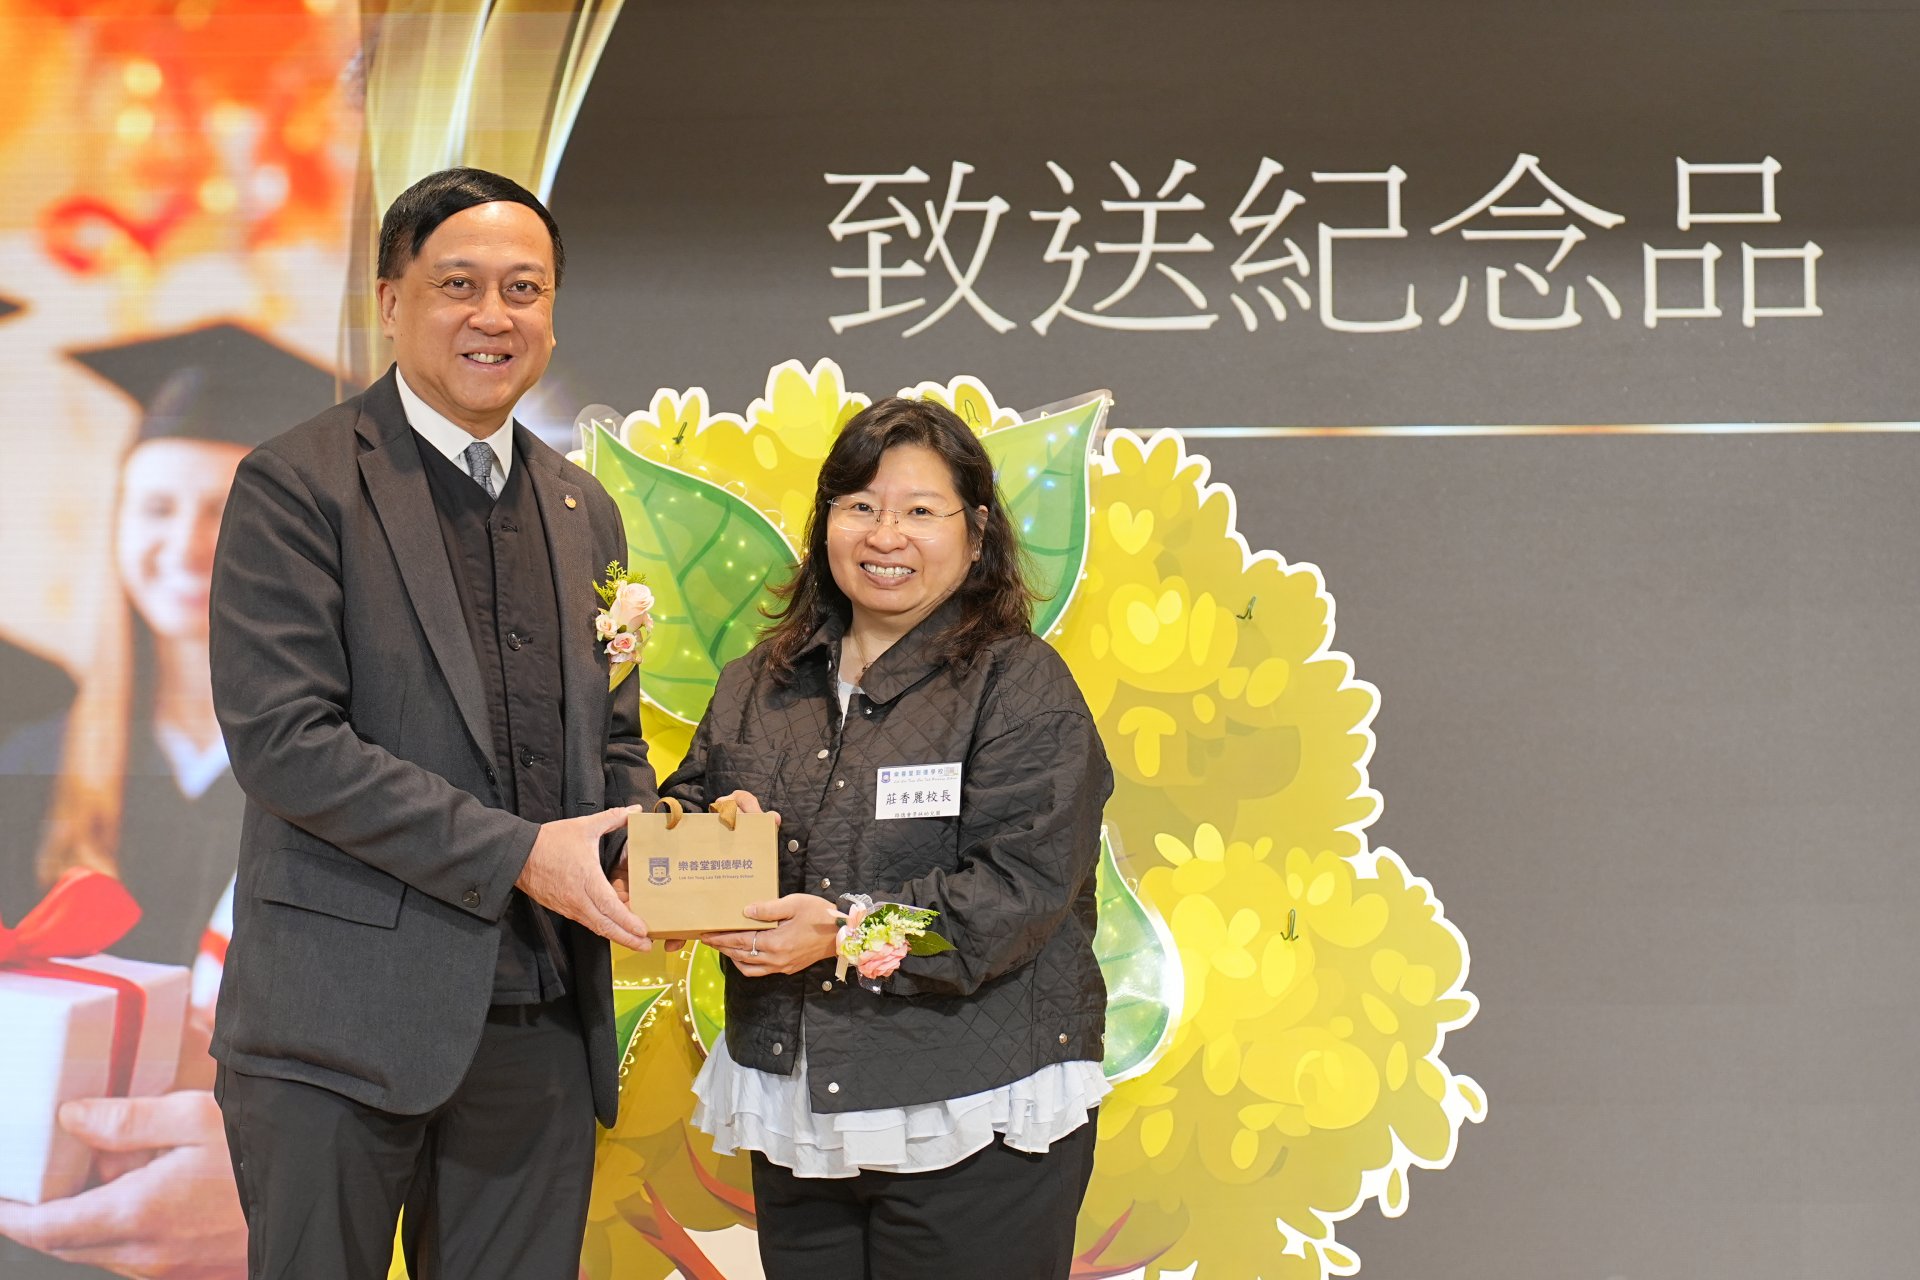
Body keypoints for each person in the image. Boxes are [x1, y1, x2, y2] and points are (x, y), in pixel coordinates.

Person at [203, 167, 657, 1280]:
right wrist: (522, 855)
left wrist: (665, 847)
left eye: (524, 288)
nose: (494, 315)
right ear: (390, 300)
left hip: (540, 1024)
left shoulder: (582, 509)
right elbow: (287, 742)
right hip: (336, 1029)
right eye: (459, 284)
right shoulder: (297, 484)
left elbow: (610, 745)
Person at [663, 397, 1115, 1280]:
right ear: (826, 521)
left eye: (920, 510)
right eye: (861, 505)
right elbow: (687, 805)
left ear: (975, 534)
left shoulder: (1020, 685)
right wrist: (698, 845)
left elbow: (1017, 891)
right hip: (800, 1110)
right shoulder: (759, 682)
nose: (885, 535)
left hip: (974, 1107)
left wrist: (842, 932)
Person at [0, 324, 335, 1280]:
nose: (184, 545)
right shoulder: (28, 764)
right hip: (43, 1224)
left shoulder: (345, 768)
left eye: (221, 509)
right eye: (154, 507)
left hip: (247, 1228)